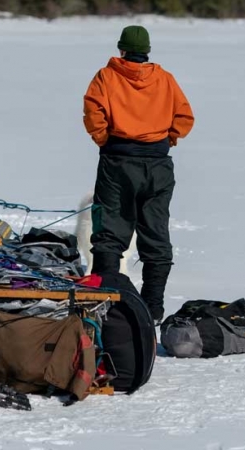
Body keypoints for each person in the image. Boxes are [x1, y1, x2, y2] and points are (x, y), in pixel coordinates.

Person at [82, 25, 194, 323]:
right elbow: (184, 117)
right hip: (158, 165)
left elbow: (93, 113)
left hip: (117, 162)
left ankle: (105, 304)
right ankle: (153, 308)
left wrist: (106, 139)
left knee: (109, 232)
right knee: (156, 233)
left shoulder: (106, 77)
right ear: (146, 51)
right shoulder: (165, 79)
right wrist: (166, 140)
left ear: (121, 49)